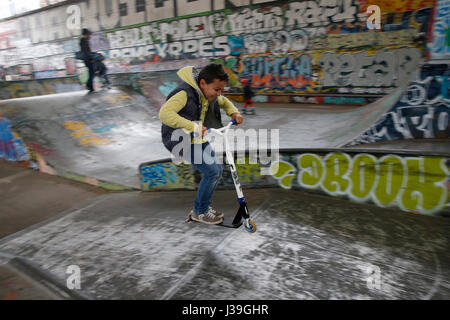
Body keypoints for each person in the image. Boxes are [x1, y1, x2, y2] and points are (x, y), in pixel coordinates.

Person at [159, 63, 244, 225]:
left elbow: (224, 101)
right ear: (203, 83)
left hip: (196, 136)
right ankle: (200, 211)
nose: (219, 94)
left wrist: (234, 112)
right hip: (179, 139)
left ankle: (202, 207)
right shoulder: (184, 93)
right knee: (211, 172)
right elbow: (164, 114)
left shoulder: (206, 92)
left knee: (217, 170)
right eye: (216, 89)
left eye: (221, 90)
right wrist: (194, 127)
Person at [79, 28, 95, 92]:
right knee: (92, 72)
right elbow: (86, 51)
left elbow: (87, 51)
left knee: (91, 72)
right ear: (87, 34)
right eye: (89, 34)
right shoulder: (84, 41)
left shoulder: (84, 40)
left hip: (86, 59)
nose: (90, 36)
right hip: (88, 59)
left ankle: (90, 87)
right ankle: (89, 85)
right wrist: (91, 58)